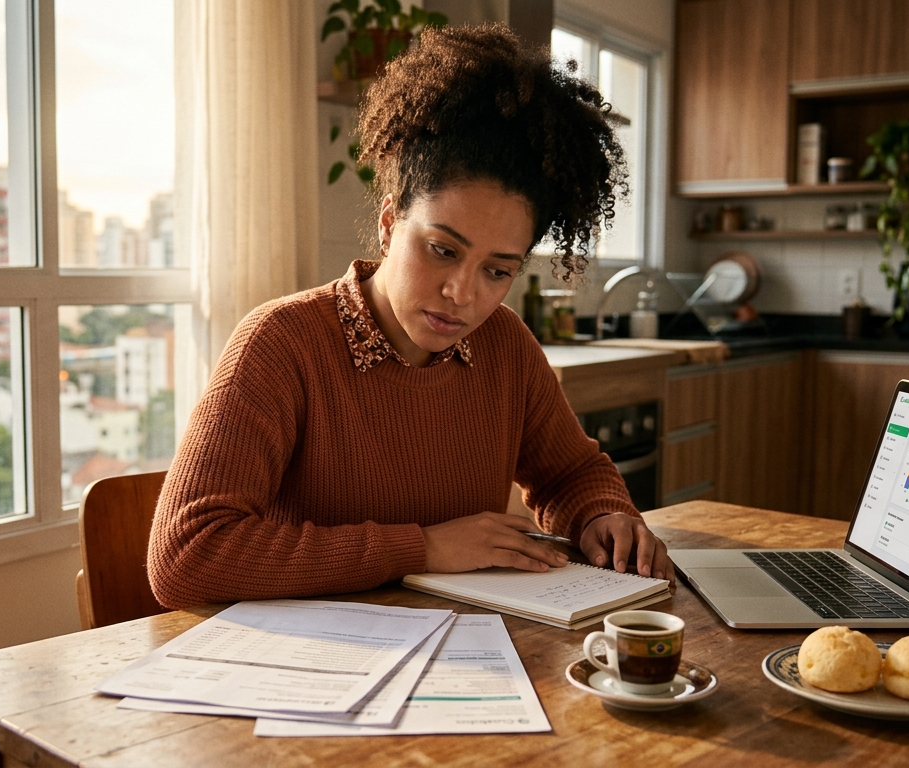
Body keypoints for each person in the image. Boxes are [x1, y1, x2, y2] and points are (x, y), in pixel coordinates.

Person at [148, 23, 673, 609]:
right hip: (310, 671)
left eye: (497, 270)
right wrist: (420, 548)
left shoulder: (506, 345)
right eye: (442, 249)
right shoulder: (281, 343)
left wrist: (605, 514)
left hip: (467, 658)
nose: (461, 293)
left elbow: (570, 473)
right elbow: (186, 556)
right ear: (390, 223)